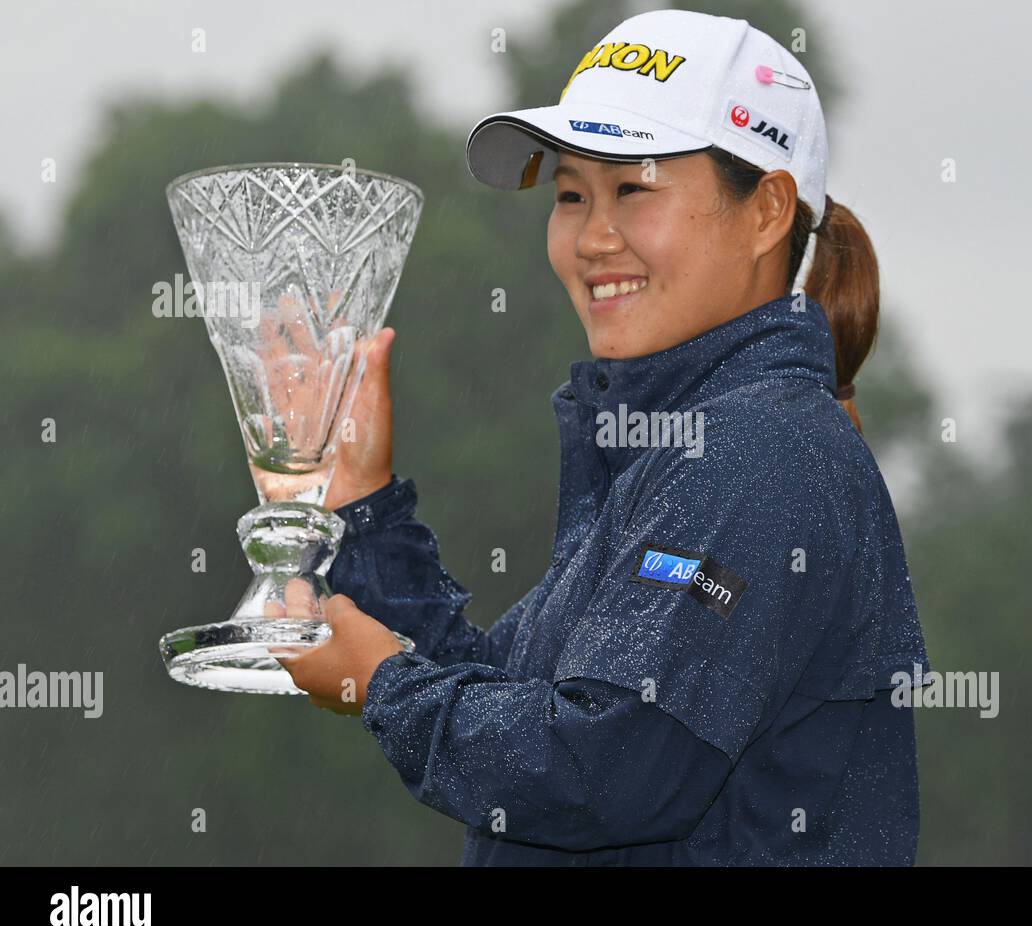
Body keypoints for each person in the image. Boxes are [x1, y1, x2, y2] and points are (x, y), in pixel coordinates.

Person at [273, 8, 931, 866]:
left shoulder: (758, 453)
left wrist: (385, 686)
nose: (592, 238)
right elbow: (509, 702)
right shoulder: (678, 448)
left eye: (635, 189)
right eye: (572, 195)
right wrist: (362, 505)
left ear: (768, 210)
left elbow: (605, 770)